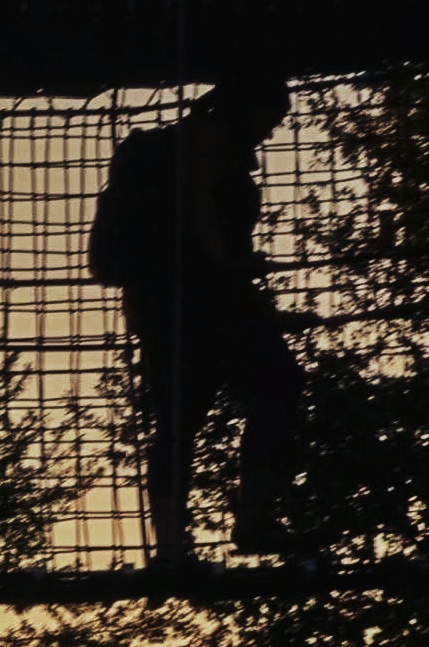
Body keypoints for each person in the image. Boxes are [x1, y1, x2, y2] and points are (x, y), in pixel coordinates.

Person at [89, 67, 308, 568]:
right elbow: (197, 201)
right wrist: (227, 262)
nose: (271, 131)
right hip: (202, 300)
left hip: (161, 305)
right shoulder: (209, 139)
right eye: (271, 118)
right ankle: (251, 519)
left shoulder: (185, 142)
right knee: (276, 383)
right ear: (248, 108)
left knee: (178, 420)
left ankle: (172, 546)